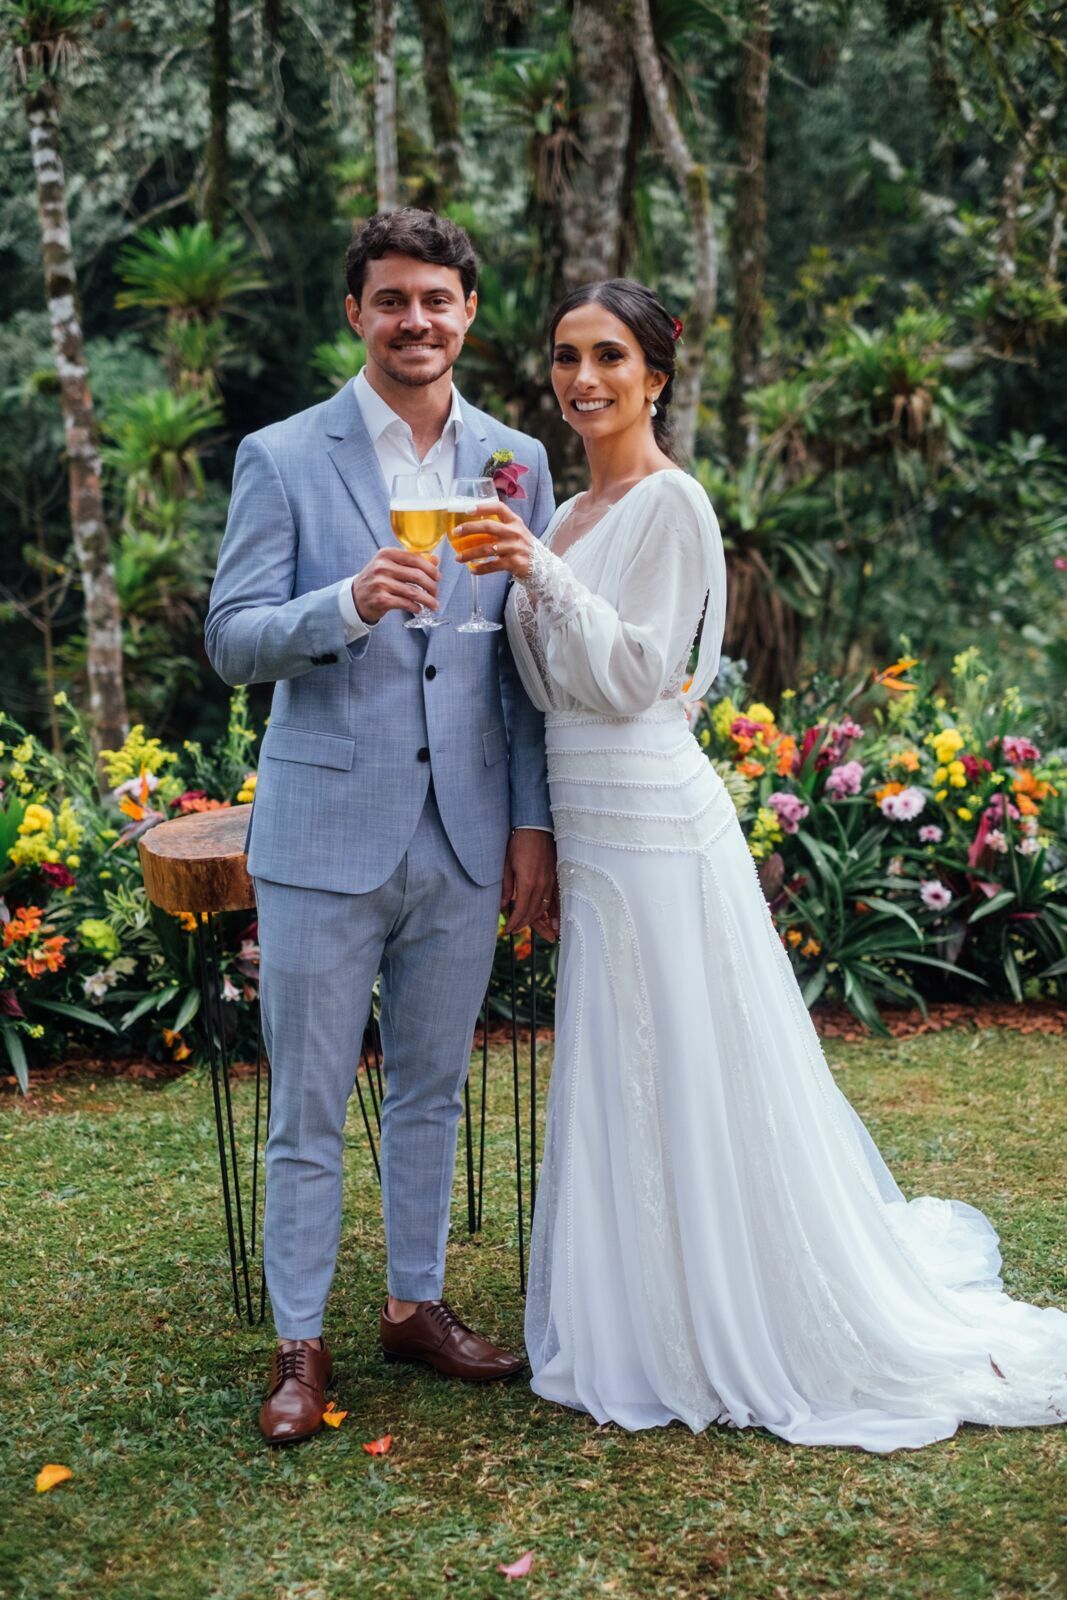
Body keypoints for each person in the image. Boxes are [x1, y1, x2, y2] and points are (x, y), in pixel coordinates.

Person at [452, 277, 1067, 1452]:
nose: (582, 379)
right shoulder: (569, 514)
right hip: (588, 818)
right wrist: (530, 570)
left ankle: (726, 1310)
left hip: (652, 815)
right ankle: (629, 1301)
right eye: (567, 357)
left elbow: (638, 676)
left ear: (657, 376)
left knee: (689, 1053)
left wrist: (532, 569)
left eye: (609, 358)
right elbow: (541, 684)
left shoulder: (670, 504)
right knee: (619, 1053)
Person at [205, 209, 558, 1446]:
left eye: (439, 299)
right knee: (306, 1102)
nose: (417, 320)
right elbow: (231, 638)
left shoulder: (514, 460)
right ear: (354, 313)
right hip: (321, 834)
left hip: (462, 835)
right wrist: (345, 600)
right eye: (392, 298)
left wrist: (531, 826)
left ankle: (414, 1305)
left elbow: (521, 662)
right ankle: (300, 1342)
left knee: (431, 1094)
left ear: (469, 312)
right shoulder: (283, 456)